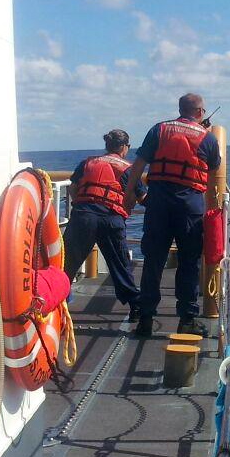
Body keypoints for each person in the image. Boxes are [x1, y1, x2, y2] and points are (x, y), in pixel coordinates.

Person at [124, 93, 221, 338]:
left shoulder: (159, 130)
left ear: (180, 109)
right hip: (189, 209)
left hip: (158, 205)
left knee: (153, 261)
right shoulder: (207, 138)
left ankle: (145, 318)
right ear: (200, 113)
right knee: (189, 263)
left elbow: (138, 166)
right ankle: (187, 319)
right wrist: (202, 131)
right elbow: (214, 166)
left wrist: (129, 194)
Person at [63, 129, 146, 320]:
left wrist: (81, 204)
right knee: (120, 265)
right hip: (111, 219)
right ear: (125, 147)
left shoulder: (87, 162)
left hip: (83, 216)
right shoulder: (128, 168)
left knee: (67, 264)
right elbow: (143, 197)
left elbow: (73, 187)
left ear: (106, 146)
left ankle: (59, 304)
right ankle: (135, 307)